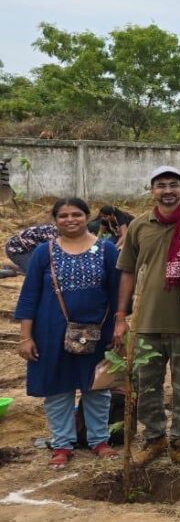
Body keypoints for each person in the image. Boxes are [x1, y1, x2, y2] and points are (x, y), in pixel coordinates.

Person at [15, 198, 121, 469]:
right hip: (50, 331)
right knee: (57, 388)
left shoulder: (106, 249)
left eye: (76, 214)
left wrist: (120, 325)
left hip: (97, 330)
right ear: (55, 220)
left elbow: (118, 293)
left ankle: (99, 440)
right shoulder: (44, 252)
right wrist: (26, 337)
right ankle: (62, 444)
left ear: (87, 217)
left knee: (97, 386)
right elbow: (29, 296)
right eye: (63, 215)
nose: (70, 219)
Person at [117, 166, 180, 472]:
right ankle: (153, 439)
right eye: (161, 185)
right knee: (148, 387)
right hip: (146, 323)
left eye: (173, 185)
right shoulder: (139, 226)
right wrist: (121, 315)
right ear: (151, 190)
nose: (167, 190)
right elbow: (128, 272)